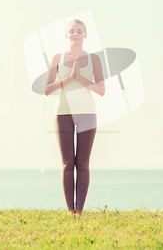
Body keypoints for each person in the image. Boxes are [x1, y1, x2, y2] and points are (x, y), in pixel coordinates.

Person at [44, 19, 105, 215]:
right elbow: (47, 89)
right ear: (66, 35)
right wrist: (69, 78)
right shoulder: (57, 58)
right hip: (63, 112)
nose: (75, 34)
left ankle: (79, 210)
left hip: (87, 112)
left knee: (83, 163)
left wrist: (81, 79)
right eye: (72, 31)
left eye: (79, 31)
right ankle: (70, 210)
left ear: (85, 34)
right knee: (67, 163)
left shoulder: (94, 59)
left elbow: (101, 90)